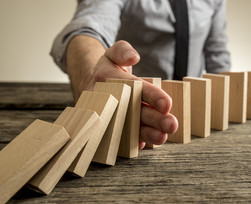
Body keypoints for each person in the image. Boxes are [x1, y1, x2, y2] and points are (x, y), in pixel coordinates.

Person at [51, 0, 231, 149]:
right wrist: (90, 76)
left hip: (196, 122)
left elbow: (217, 52)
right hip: (134, 120)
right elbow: (88, 27)